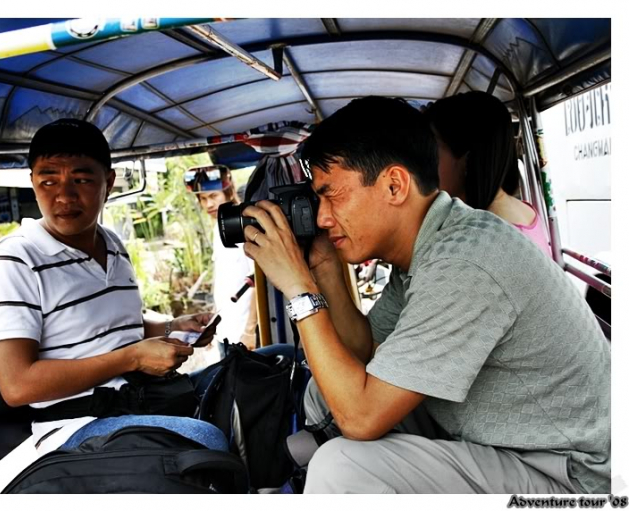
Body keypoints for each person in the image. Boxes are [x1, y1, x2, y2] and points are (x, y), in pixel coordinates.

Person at [240, 97, 610, 494]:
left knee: (342, 467)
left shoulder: (466, 263)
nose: (322, 217)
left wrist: (299, 290)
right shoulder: (433, 241)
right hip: (503, 440)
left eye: (334, 196)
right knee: (326, 392)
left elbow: (361, 418)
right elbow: (362, 351)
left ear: (394, 185)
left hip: (570, 476)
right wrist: (325, 268)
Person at [0, 119, 220, 455]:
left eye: (81, 179)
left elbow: (118, 329)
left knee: (261, 371)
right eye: (48, 180)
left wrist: (173, 327)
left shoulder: (113, 243)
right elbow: (18, 385)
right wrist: (132, 359)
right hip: (75, 426)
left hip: (140, 401)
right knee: (205, 440)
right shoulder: (14, 258)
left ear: (108, 182)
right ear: (33, 183)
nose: (63, 195)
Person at [424, 91, 552, 257]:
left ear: (467, 160)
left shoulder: (483, 238)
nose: (426, 163)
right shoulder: (524, 210)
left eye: (433, 151)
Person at [185, 165, 258, 354]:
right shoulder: (218, 228)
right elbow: (225, 283)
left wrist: (250, 331)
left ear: (228, 192)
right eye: (203, 198)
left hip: (243, 335)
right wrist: (212, 326)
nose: (208, 204)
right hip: (225, 332)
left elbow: (258, 280)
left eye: (213, 196)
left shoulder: (242, 227)